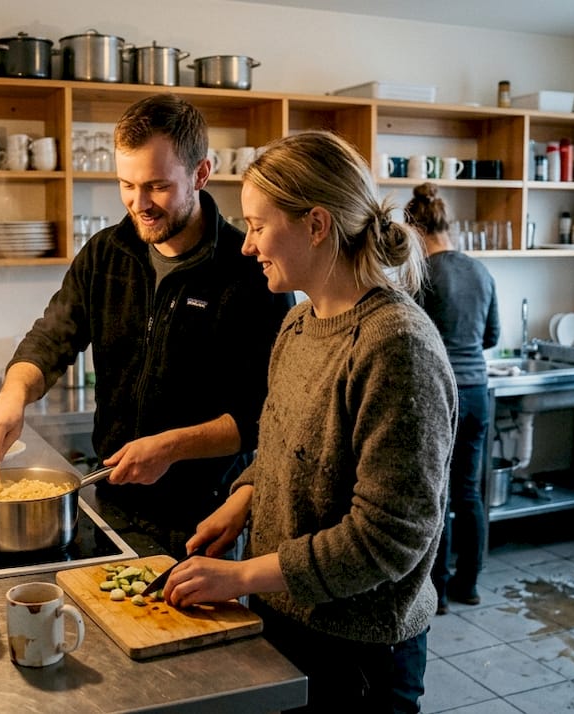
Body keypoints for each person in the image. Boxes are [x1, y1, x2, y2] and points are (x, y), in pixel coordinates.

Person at [160, 131, 455, 713]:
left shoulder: (395, 346)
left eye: (258, 226)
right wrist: (242, 501)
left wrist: (241, 577)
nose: (247, 247)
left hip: (361, 652)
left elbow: (387, 539)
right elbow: (278, 449)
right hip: (286, 619)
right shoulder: (297, 328)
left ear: (317, 225)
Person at [0, 94, 293, 554]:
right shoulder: (107, 253)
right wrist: (13, 395)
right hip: (113, 503)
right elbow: (52, 336)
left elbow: (262, 417)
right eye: (126, 184)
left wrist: (170, 447)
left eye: (157, 186)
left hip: (206, 520)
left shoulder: (251, 271)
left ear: (201, 174)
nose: (138, 203)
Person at [404, 183, 500, 615]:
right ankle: (470, 584)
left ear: (415, 232)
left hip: (440, 395)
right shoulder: (481, 271)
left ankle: (437, 592)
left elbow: (407, 336)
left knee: (435, 493)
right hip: (478, 392)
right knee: (468, 491)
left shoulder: (423, 273)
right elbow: (492, 336)